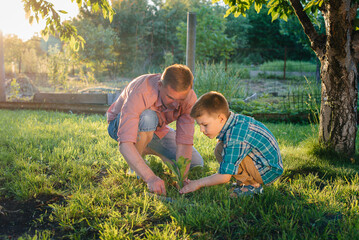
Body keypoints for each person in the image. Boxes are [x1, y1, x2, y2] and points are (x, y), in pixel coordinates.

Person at [107, 64, 203, 196]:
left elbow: (184, 142)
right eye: (171, 97)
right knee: (148, 117)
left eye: (180, 99)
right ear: (160, 85)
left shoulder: (190, 99)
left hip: (157, 129)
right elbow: (124, 144)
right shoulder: (142, 91)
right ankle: (135, 167)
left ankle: (148, 149)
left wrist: (182, 178)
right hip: (119, 126)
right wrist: (151, 178)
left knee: (196, 163)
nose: (175, 104)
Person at [179, 91, 283, 197]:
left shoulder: (236, 136)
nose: (201, 130)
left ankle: (252, 186)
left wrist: (197, 183)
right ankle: (243, 183)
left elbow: (224, 176)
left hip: (268, 170)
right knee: (220, 149)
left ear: (221, 119)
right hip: (260, 162)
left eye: (205, 124)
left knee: (226, 152)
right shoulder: (234, 122)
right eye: (199, 125)